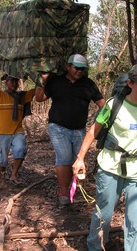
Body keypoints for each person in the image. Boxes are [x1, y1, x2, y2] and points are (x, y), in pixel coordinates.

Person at [72, 63, 137, 250]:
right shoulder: (114, 104)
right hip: (110, 167)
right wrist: (80, 158)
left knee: (136, 220)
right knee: (104, 215)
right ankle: (96, 246)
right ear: (130, 83)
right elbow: (93, 131)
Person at [35, 54, 105, 205]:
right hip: (58, 127)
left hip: (79, 129)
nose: (79, 71)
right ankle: (63, 193)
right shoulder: (56, 82)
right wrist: (42, 80)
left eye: (82, 69)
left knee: (76, 160)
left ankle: (73, 190)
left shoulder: (88, 84)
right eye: (76, 68)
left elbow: (103, 104)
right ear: (68, 67)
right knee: (64, 158)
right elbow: (39, 98)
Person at [0, 64, 35, 185]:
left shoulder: (23, 96)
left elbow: (37, 89)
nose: (14, 83)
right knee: (2, 160)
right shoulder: (0, 95)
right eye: (11, 81)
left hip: (17, 131)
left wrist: (33, 72)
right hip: (3, 133)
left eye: (16, 81)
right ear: (6, 82)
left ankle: (13, 175)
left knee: (21, 150)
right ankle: (1, 176)